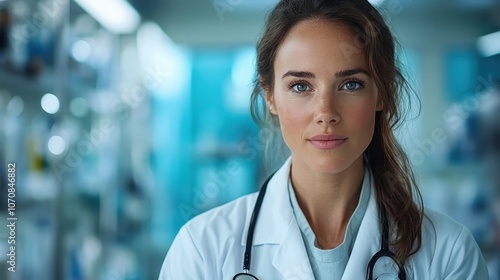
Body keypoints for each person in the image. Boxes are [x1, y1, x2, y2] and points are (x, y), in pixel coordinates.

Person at [159, 0, 489, 279]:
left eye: (351, 84)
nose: (326, 112)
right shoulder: (202, 250)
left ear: (381, 94)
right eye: (301, 86)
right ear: (270, 96)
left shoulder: (447, 251)